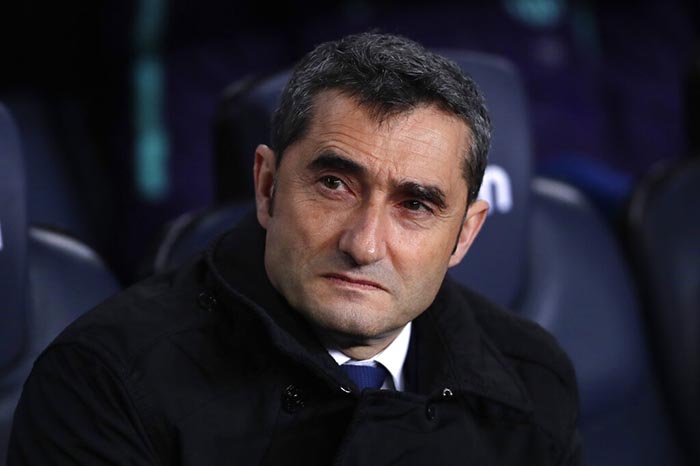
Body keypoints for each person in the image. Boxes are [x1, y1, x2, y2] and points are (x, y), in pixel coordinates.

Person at [7, 32, 582, 465]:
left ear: (465, 234)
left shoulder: (531, 374)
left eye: (415, 205)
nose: (364, 244)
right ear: (266, 187)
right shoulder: (103, 382)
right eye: (334, 185)